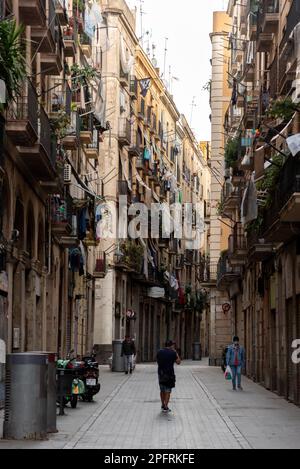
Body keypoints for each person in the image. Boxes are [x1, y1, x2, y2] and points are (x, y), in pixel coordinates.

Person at [157, 340, 181, 413]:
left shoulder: (159, 352)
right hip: (169, 374)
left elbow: (157, 361)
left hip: (160, 373)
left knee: (162, 390)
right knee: (168, 391)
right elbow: (178, 362)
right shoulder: (173, 353)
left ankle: (162, 404)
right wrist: (176, 353)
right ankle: (166, 406)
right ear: (171, 346)